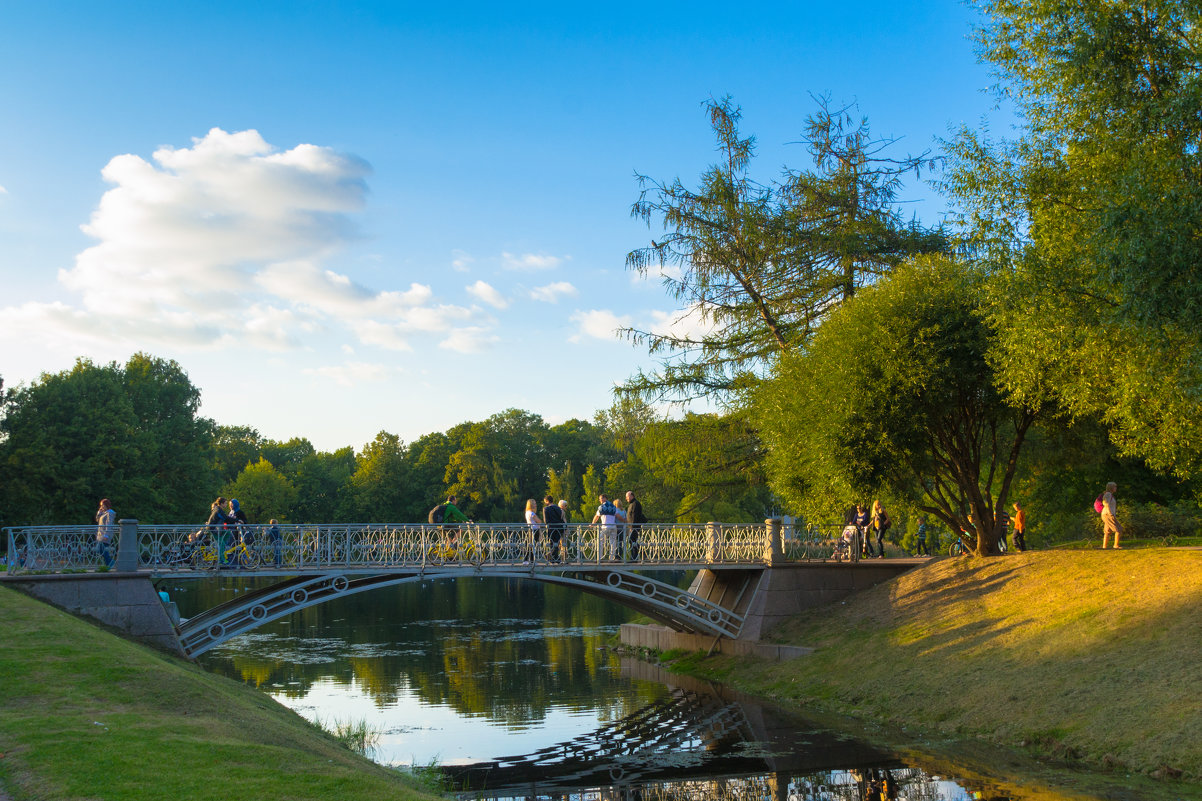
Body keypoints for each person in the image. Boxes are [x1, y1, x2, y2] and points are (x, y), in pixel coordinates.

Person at [591, 494, 620, 561]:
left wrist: (592, 524)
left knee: (600, 542)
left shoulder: (601, 507)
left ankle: (599, 558)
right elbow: (618, 516)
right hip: (613, 527)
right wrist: (625, 521)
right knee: (613, 543)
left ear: (604, 498)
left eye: (600, 498)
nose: (599, 500)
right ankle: (612, 558)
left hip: (605, 527)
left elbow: (596, 516)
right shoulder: (613, 506)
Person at [207, 497, 232, 566]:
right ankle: (222, 560)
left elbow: (226, 518)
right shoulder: (218, 510)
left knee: (228, 533)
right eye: (225, 503)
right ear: (221, 504)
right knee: (221, 543)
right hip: (213, 529)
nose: (226, 505)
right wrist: (236, 520)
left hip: (218, 529)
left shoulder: (219, 509)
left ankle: (222, 546)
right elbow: (225, 518)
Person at [1100, 482, 1123, 549]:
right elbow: (1106, 503)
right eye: (1114, 487)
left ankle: (1104, 547)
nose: (1116, 488)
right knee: (1119, 529)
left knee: (1107, 531)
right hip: (1108, 514)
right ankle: (1116, 545)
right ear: (1111, 488)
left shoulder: (1109, 494)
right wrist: (1111, 514)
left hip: (1107, 514)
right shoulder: (1108, 494)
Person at [542, 495, 565, 562]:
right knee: (556, 543)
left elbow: (546, 521)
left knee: (552, 543)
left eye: (545, 501)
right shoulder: (558, 508)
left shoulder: (546, 509)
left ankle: (551, 557)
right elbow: (561, 518)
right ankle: (555, 557)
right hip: (559, 528)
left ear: (547, 501)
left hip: (551, 528)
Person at [95, 498, 116, 568]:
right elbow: (97, 520)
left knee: (102, 549)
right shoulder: (103, 513)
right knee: (101, 550)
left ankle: (110, 563)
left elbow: (109, 524)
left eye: (103, 505)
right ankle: (109, 563)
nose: (102, 507)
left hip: (105, 535)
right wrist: (99, 513)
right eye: (101, 505)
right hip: (100, 535)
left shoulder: (110, 513)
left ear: (107, 505)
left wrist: (106, 535)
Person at [625, 491, 646, 561]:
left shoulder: (635, 503)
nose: (626, 498)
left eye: (627, 497)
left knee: (633, 541)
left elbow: (634, 516)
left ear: (632, 496)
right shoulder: (633, 504)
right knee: (633, 541)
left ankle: (635, 557)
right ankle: (636, 556)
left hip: (634, 527)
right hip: (633, 526)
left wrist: (632, 527)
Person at [523, 498, 542, 563]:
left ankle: (531, 560)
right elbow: (539, 521)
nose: (535, 505)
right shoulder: (532, 513)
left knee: (531, 545)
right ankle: (526, 559)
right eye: (534, 504)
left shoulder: (527, 512)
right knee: (532, 546)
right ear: (530, 505)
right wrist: (540, 521)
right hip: (534, 530)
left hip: (531, 530)